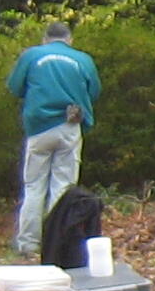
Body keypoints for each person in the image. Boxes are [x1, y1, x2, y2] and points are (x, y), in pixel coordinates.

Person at [6, 20, 102, 258]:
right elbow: (95, 91)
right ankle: (57, 241)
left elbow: (14, 87)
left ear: (45, 39)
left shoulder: (32, 56)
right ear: (70, 39)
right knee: (63, 187)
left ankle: (28, 244)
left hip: (39, 128)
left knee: (34, 186)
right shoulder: (82, 59)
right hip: (70, 125)